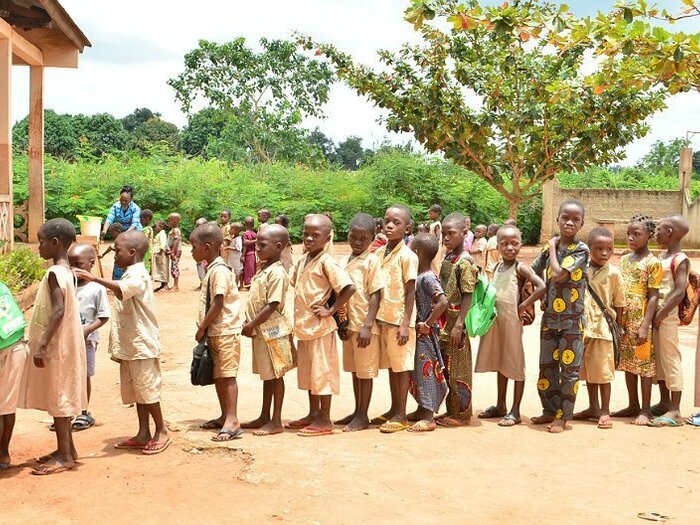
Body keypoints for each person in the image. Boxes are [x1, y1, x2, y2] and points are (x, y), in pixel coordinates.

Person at [75, 231, 170, 455]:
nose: (114, 254)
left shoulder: (138, 273)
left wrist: (93, 278)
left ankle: (162, 430)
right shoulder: (129, 272)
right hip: (131, 343)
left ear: (133, 253)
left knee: (147, 389)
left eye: (117, 250)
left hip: (142, 343)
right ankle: (143, 432)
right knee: (138, 391)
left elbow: (120, 289)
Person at [20, 219, 86, 475]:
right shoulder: (67, 271)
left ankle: (65, 457)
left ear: (56, 243)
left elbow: (58, 310)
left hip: (58, 346)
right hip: (68, 343)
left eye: (42, 242)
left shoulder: (54, 274)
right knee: (63, 395)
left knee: (60, 398)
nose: (38, 247)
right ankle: (67, 449)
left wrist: (43, 345)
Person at [287, 214, 355, 436]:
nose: (308, 239)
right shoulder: (303, 259)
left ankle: (324, 419)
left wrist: (331, 310)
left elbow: (348, 288)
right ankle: (313, 413)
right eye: (306, 234)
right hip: (305, 327)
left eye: (315, 235)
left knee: (322, 374)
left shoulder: (327, 261)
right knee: (309, 374)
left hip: (320, 328)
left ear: (327, 238)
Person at [475, 225, 546, 427]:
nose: (509, 248)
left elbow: (541, 286)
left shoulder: (520, 267)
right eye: (504, 244)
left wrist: (523, 305)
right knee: (501, 363)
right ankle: (500, 405)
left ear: (520, 245)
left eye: (514, 243)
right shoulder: (497, 267)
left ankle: (515, 410)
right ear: (497, 246)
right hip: (497, 322)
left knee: (515, 365)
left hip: (512, 323)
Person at [530, 199, 589, 433]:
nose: (569, 222)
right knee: (547, 368)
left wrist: (552, 247)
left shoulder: (581, 250)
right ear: (558, 219)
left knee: (570, 372)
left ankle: (563, 417)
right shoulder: (548, 249)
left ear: (582, 223)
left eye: (575, 219)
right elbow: (533, 270)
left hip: (572, 322)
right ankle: (549, 410)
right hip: (550, 319)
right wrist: (529, 295)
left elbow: (558, 273)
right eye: (565, 217)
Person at [190, 223, 244, 441]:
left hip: (225, 331)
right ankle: (224, 416)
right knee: (219, 375)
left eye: (194, 247)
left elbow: (218, 302)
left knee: (227, 375)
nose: (191, 251)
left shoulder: (219, 271)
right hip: (216, 331)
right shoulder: (211, 268)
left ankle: (233, 420)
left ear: (208, 247)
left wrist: (202, 326)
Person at [241, 225, 295, 436]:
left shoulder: (277, 273)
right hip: (262, 332)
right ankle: (265, 415)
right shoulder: (264, 269)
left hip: (274, 331)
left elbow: (272, 304)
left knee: (276, 374)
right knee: (268, 375)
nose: (257, 249)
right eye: (256, 245)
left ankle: (276, 420)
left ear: (278, 247)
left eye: (262, 246)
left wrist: (252, 324)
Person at [335, 213, 384, 432]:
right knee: (355, 371)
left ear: (372, 238)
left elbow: (375, 295)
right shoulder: (344, 260)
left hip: (364, 326)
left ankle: (363, 415)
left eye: (363, 239)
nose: (356, 242)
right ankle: (357, 411)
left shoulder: (371, 260)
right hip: (349, 325)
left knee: (365, 372)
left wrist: (367, 325)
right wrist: (341, 323)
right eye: (353, 237)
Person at [572, 228, 625, 430]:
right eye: (599, 248)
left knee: (603, 372)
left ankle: (604, 410)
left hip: (603, 329)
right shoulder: (581, 269)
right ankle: (593, 407)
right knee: (588, 372)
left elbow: (620, 303)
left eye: (609, 249)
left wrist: (619, 327)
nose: (604, 253)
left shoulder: (614, 274)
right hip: (582, 327)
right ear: (589, 249)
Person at [612, 215, 662, 426]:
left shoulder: (653, 263)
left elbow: (653, 296)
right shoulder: (624, 260)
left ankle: (645, 409)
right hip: (624, 320)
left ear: (649, 236)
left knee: (644, 365)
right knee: (628, 364)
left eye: (636, 234)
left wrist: (645, 326)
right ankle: (632, 404)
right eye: (629, 234)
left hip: (641, 321)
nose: (631, 238)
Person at [372, 205, 418, 434]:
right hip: (384, 317)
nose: (389, 225)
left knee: (401, 369)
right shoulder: (380, 253)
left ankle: (401, 414)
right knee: (392, 367)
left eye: (396, 222)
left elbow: (411, 291)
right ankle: (393, 409)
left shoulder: (407, 256)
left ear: (407, 228)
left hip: (400, 320)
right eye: (387, 220)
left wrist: (405, 323)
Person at [436, 213, 479, 427]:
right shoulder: (448, 257)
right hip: (446, 322)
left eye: (451, 234)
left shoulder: (465, 261)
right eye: (444, 234)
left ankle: (462, 414)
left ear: (464, 234)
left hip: (456, 323)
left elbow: (468, 293)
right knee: (448, 369)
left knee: (459, 370)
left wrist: (460, 324)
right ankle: (451, 409)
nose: (446, 238)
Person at [649, 215, 690, 427]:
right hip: (657, 317)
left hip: (667, 317)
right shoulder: (662, 256)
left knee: (671, 359)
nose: (656, 232)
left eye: (659, 229)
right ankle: (665, 402)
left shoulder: (680, 259)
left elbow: (679, 292)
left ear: (670, 232)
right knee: (660, 362)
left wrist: (662, 314)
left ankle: (675, 410)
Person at [68, 244, 110, 432]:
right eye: (70, 265)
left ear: (91, 263)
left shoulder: (96, 289)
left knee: (84, 376)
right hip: (67, 341)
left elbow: (103, 316)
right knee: (67, 376)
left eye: (78, 264)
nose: (73, 269)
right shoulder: (68, 285)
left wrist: (86, 331)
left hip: (86, 341)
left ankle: (83, 412)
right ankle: (66, 413)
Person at [408, 233, 448, 432]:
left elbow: (442, 302)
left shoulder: (428, 277)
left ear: (417, 253)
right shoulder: (420, 276)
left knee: (427, 372)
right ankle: (421, 408)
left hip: (425, 333)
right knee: (417, 370)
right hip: (419, 332)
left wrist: (427, 323)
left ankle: (428, 416)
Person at [0, 281, 29, 470]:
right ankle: (3, 453)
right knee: (5, 406)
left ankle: (2, 453)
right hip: (14, 344)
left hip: (10, 347)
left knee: (4, 407)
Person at [166, 213, 182, 292]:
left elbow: (176, 240)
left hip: (176, 252)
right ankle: (175, 285)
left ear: (175, 221)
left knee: (175, 267)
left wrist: (172, 252)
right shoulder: (173, 230)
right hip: (174, 251)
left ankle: (176, 285)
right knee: (173, 267)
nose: (168, 222)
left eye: (169, 220)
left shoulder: (175, 230)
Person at [152, 220, 169, 292]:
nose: (155, 228)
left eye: (156, 227)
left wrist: (160, 252)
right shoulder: (159, 234)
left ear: (161, 227)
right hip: (158, 254)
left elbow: (163, 244)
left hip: (160, 254)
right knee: (159, 269)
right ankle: (162, 285)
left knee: (163, 269)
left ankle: (165, 285)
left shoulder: (162, 234)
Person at [227, 222, 244, 288]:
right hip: (232, 258)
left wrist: (229, 247)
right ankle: (232, 284)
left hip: (236, 258)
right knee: (232, 271)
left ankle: (236, 285)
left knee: (237, 272)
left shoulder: (238, 239)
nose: (229, 230)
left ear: (236, 231)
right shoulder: (234, 237)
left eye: (231, 229)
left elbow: (238, 248)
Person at [242, 216, 258, 288]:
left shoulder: (245, 234)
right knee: (253, 268)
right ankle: (252, 282)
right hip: (253, 253)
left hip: (248, 254)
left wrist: (242, 255)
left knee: (248, 269)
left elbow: (245, 244)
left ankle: (248, 283)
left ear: (245, 224)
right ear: (253, 224)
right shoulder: (254, 234)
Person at [194, 217, 208, 290]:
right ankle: (201, 283)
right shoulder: (196, 235)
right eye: (197, 225)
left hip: (205, 256)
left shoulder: (207, 235)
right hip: (199, 255)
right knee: (199, 269)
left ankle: (205, 285)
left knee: (205, 269)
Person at [428, 204, 442, 275]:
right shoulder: (433, 224)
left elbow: (438, 237)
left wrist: (432, 244)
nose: (429, 215)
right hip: (432, 247)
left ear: (437, 214)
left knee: (435, 265)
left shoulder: (437, 225)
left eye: (431, 213)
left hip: (435, 248)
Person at [140, 209, 154, 274]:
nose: (140, 221)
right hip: (149, 250)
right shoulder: (150, 228)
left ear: (147, 219)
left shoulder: (146, 229)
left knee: (144, 267)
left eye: (141, 219)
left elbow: (143, 240)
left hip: (145, 251)